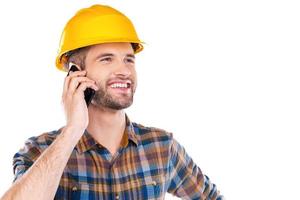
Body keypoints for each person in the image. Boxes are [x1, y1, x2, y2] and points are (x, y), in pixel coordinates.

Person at [1, 4, 224, 200]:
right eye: (106, 59)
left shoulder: (162, 147)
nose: (124, 70)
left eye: (129, 59)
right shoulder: (40, 151)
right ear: (75, 74)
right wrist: (72, 131)